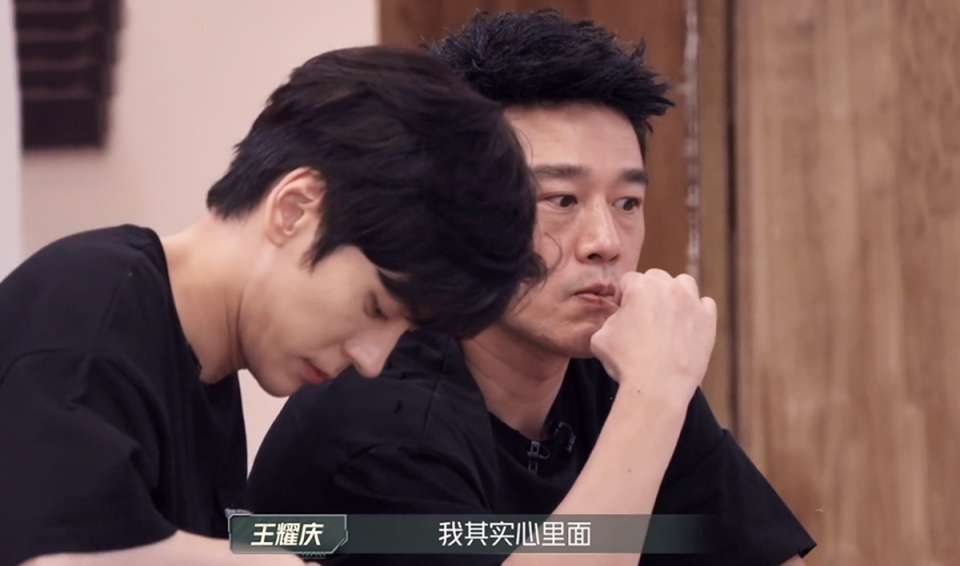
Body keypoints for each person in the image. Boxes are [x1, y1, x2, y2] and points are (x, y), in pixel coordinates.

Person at [247, 10, 817, 566]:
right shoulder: (379, 426)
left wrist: (654, 392)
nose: (605, 241)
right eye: (561, 200)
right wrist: (654, 396)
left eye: (627, 203)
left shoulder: (622, 372)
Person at [0, 45, 544, 566]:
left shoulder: (205, 369)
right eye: (376, 308)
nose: (372, 361)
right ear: (295, 208)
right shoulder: (89, 309)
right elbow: (53, 556)